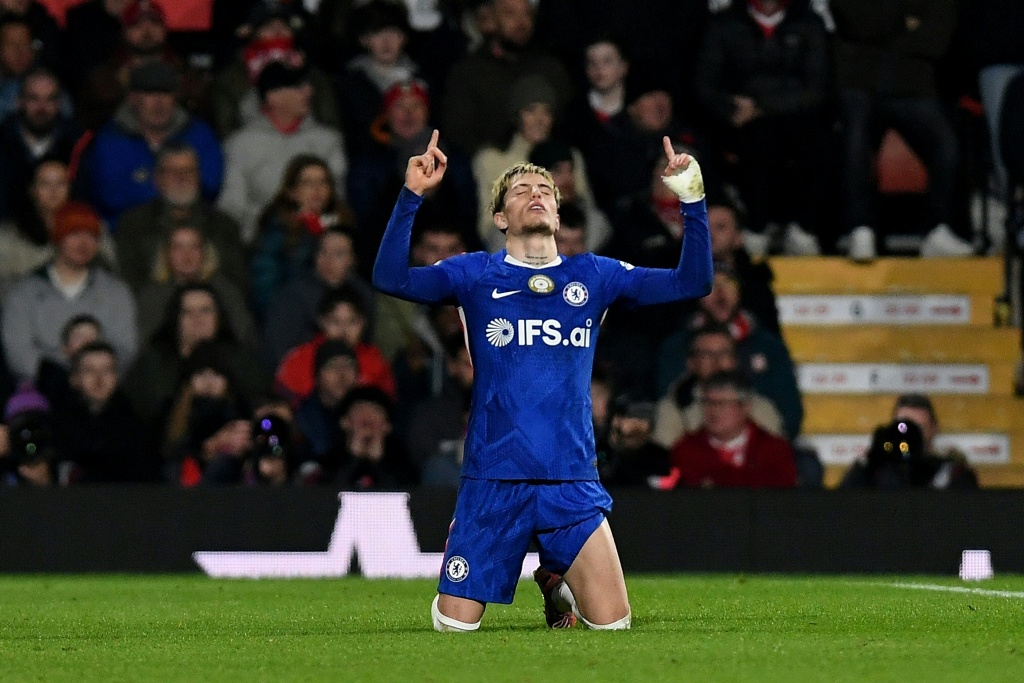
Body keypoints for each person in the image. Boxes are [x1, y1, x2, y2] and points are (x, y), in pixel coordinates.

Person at [373, 129, 711, 631]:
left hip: (570, 478)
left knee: (612, 627)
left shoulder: (594, 275)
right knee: (454, 627)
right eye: (520, 191)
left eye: (546, 192)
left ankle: (557, 582)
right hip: (494, 477)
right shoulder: (474, 274)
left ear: (557, 214)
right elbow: (390, 278)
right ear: (500, 218)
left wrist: (691, 199)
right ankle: (527, 566)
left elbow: (693, 281)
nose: (536, 195)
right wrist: (411, 197)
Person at [1, 200, 137, 382]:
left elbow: (125, 348)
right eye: (73, 233)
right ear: (58, 239)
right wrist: (63, 380)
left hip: (100, 392)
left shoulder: (116, 292)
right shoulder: (23, 294)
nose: (83, 243)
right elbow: (18, 352)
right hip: (42, 393)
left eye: (91, 235)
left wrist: (93, 378)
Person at [655, 370, 798, 489]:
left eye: (722, 403)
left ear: (745, 407)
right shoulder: (686, 449)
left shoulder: (774, 450)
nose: (713, 411)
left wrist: (717, 479)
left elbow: (782, 495)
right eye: (708, 403)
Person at [840, 393, 979, 489]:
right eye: (903, 427)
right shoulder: (872, 471)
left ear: (934, 429)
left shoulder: (952, 473)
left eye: (918, 428)